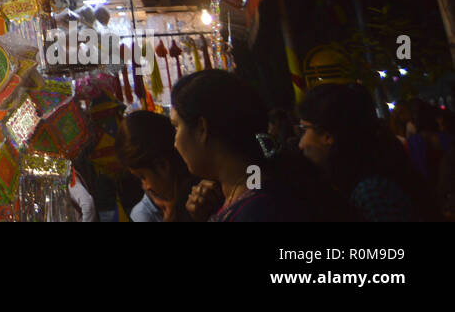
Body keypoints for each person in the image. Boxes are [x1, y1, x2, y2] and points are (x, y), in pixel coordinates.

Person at [171, 70, 347, 222]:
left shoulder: (261, 208)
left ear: (202, 129)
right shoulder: (244, 190)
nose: (175, 141)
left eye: (177, 126)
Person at [298, 83, 434, 221]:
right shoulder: (367, 177)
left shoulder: (372, 192)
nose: (300, 144)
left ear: (327, 135)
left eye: (304, 130)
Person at [115, 110, 195, 222]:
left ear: (162, 165)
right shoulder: (142, 215)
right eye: (140, 179)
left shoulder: (201, 195)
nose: (145, 186)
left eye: (143, 177)